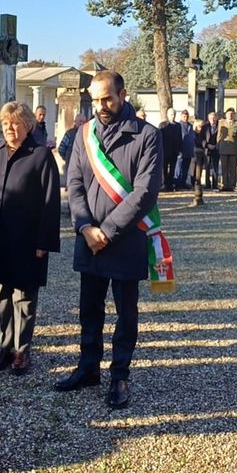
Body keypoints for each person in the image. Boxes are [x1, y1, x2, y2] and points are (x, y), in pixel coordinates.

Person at [57, 70, 163, 410]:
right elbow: (74, 183)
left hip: (126, 238)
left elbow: (146, 191)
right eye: (96, 99)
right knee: (89, 308)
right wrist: (85, 226)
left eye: (107, 98)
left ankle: (120, 376)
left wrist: (108, 230)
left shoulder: (147, 135)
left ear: (122, 94)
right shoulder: (83, 134)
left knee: (125, 313)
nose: (101, 105)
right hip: (89, 238)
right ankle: (88, 367)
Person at [0, 101, 60, 376]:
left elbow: (51, 201)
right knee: (1, 293)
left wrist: (45, 241)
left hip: (27, 239)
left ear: (28, 125)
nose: (10, 128)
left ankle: (22, 350)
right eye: (6, 123)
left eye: (16, 123)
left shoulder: (41, 155)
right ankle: (5, 346)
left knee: (24, 296)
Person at [217, 107, 237, 191]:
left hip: (233, 148)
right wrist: (218, 145)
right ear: (226, 115)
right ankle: (225, 184)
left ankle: (232, 185)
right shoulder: (221, 123)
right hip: (223, 147)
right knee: (224, 168)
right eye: (229, 114)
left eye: (232, 114)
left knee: (232, 168)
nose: (230, 115)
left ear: (234, 115)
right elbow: (219, 135)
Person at [58, 113, 88, 179]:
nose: (82, 123)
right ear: (75, 122)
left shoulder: (88, 134)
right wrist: (66, 158)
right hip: (71, 166)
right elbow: (61, 149)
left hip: (85, 167)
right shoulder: (69, 133)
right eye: (80, 121)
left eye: (84, 122)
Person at [160, 108, 181, 191]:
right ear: (168, 115)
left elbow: (179, 138)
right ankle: (164, 184)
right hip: (165, 150)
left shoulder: (178, 125)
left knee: (172, 169)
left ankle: (170, 185)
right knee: (164, 168)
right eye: (171, 114)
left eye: (174, 114)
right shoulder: (163, 125)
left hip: (174, 151)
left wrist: (179, 149)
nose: (173, 116)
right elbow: (160, 138)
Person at [176, 109, 196, 189]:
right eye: (184, 116)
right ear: (181, 116)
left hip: (189, 150)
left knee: (186, 168)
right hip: (181, 150)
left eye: (187, 116)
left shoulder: (190, 126)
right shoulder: (178, 125)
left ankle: (183, 183)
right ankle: (177, 183)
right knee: (178, 168)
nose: (185, 118)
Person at [203, 111, 220, 189]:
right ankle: (207, 183)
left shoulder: (220, 126)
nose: (212, 120)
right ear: (208, 119)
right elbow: (201, 138)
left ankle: (215, 184)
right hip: (208, 149)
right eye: (211, 118)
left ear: (216, 118)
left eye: (214, 118)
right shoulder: (205, 127)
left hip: (216, 149)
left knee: (215, 167)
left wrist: (216, 145)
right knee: (207, 167)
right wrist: (207, 145)